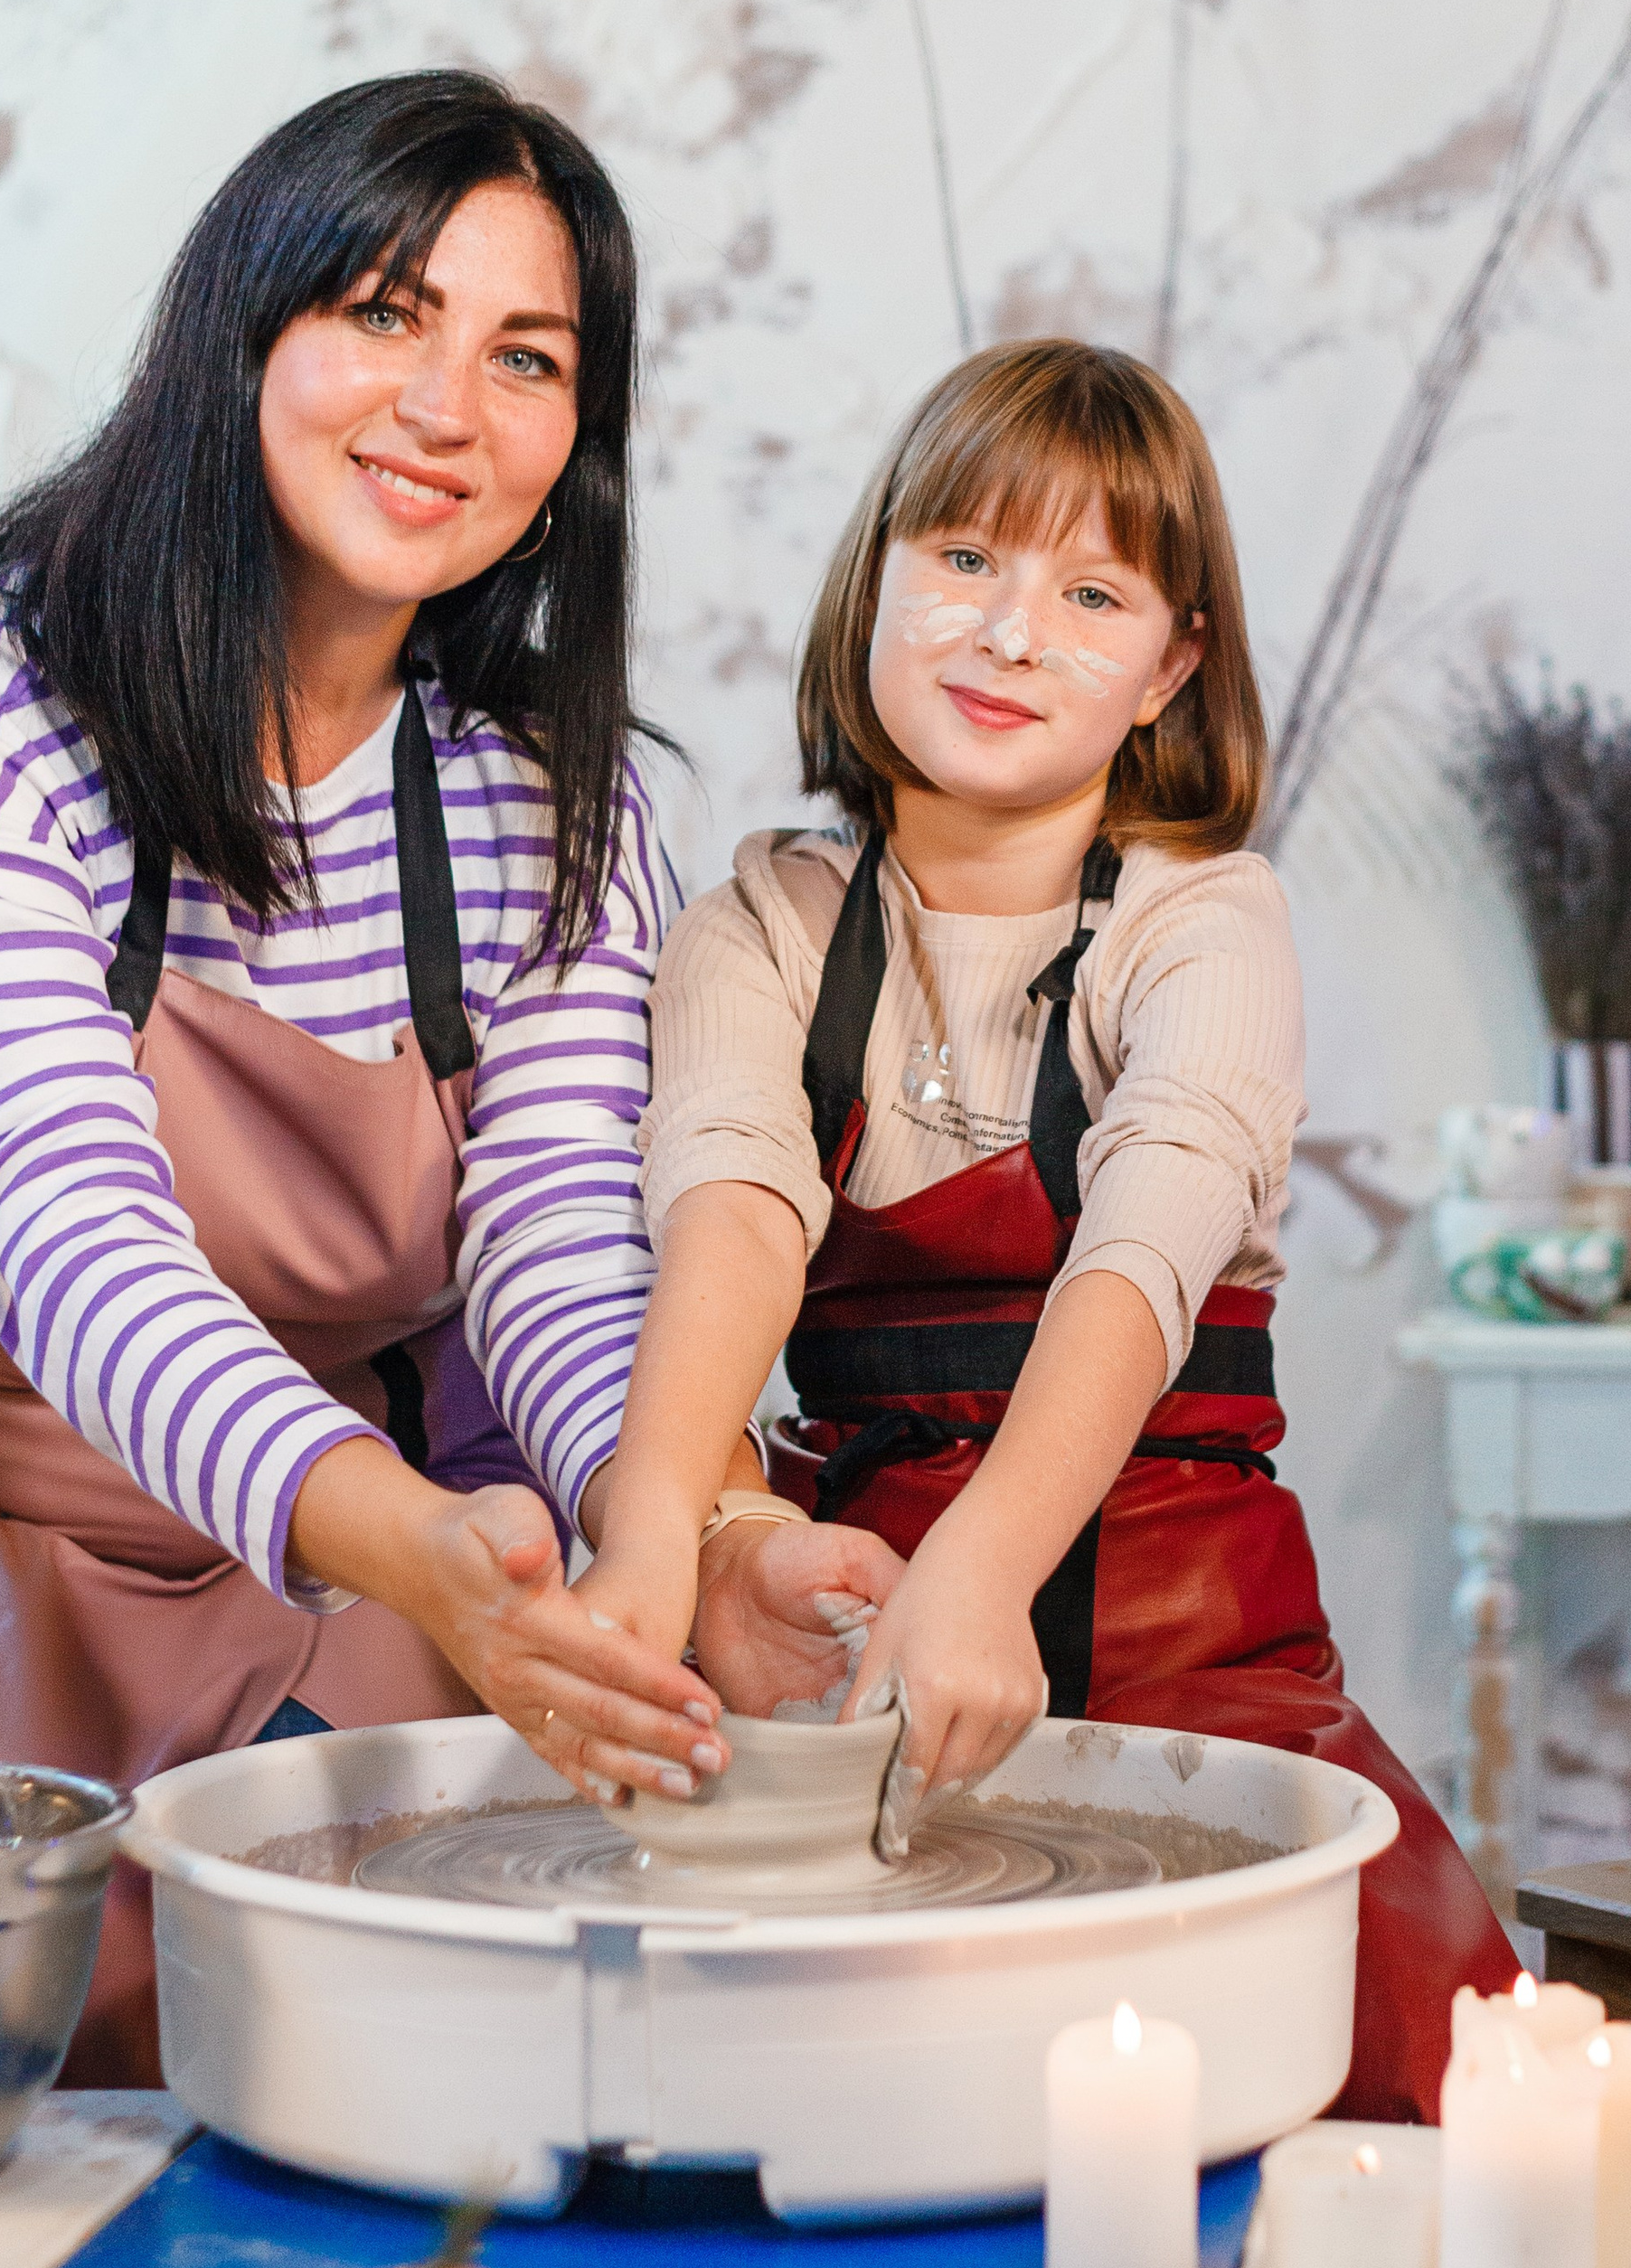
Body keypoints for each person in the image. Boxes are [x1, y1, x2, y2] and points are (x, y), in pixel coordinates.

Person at [0, 72, 871, 2079]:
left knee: (411, 2043)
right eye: (385, 311)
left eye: (526, 356)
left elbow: (560, 1256)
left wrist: (699, 1532)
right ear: (244, 327)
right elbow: (72, 1249)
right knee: (35, 2094)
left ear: (578, 441)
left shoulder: (552, 800)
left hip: (366, 1542)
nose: (445, 406)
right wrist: (413, 1546)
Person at [589, 338, 1516, 2119]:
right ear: (871, 574)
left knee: (1414, 2097)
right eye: (959, 559)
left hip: (1199, 1643)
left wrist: (985, 1568)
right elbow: (726, 1217)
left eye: (1089, 591)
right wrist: (652, 1546)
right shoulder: (759, 925)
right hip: (862, 1648)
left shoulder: (1203, 918)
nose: (1009, 632)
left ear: (1171, 662)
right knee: (786, 2118)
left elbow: (1142, 1251)